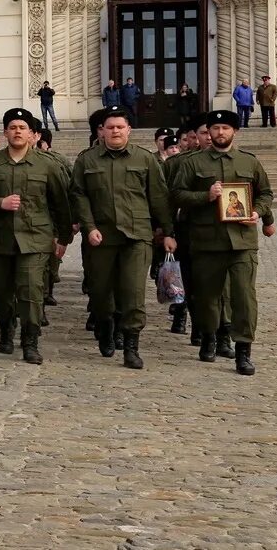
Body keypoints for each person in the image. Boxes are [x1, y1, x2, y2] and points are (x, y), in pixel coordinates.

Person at [169, 110, 274, 375]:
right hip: (207, 241)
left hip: (242, 242)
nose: (220, 133)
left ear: (234, 132)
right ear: (208, 132)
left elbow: (265, 193)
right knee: (207, 296)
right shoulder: (192, 163)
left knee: (244, 297)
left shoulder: (249, 162)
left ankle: (243, 351)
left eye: (225, 128)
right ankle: (208, 337)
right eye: (215, 128)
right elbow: (177, 194)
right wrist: (206, 195)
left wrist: (257, 212)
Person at [70, 106, 174, 369]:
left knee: (133, 293)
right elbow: (79, 196)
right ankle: (104, 327)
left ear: (128, 130)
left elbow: (159, 197)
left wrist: (168, 232)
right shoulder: (87, 160)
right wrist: (88, 226)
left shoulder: (144, 159)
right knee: (101, 294)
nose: (115, 131)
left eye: (120, 127)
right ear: (101, 131)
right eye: (110, 127)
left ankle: (131, 346)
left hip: (137, 236)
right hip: (101, 237)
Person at [0, 108, 73, 364]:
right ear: (5, 132)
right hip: (0, 240)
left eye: (22, 128)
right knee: (2, 294)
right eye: (13, 127)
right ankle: (6, 329)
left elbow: (61, 204)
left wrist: (63, 239)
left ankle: (30, 341)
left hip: (35, 239)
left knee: (31, 291)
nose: (17, 132)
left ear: (32, 134)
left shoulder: (47, 164)